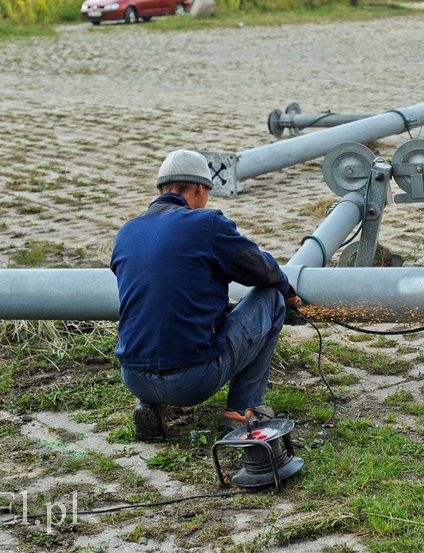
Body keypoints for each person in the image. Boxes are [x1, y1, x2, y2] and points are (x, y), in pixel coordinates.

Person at [111, 149, 302, 441]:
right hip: (191, 382)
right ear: (200, 188)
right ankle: (242, 410)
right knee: (270, 299)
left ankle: (148, 404)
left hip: (134, 377)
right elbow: (261, 270)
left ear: (161, 189)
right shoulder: (206, 224)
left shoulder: (126, 233)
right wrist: (288, 292)